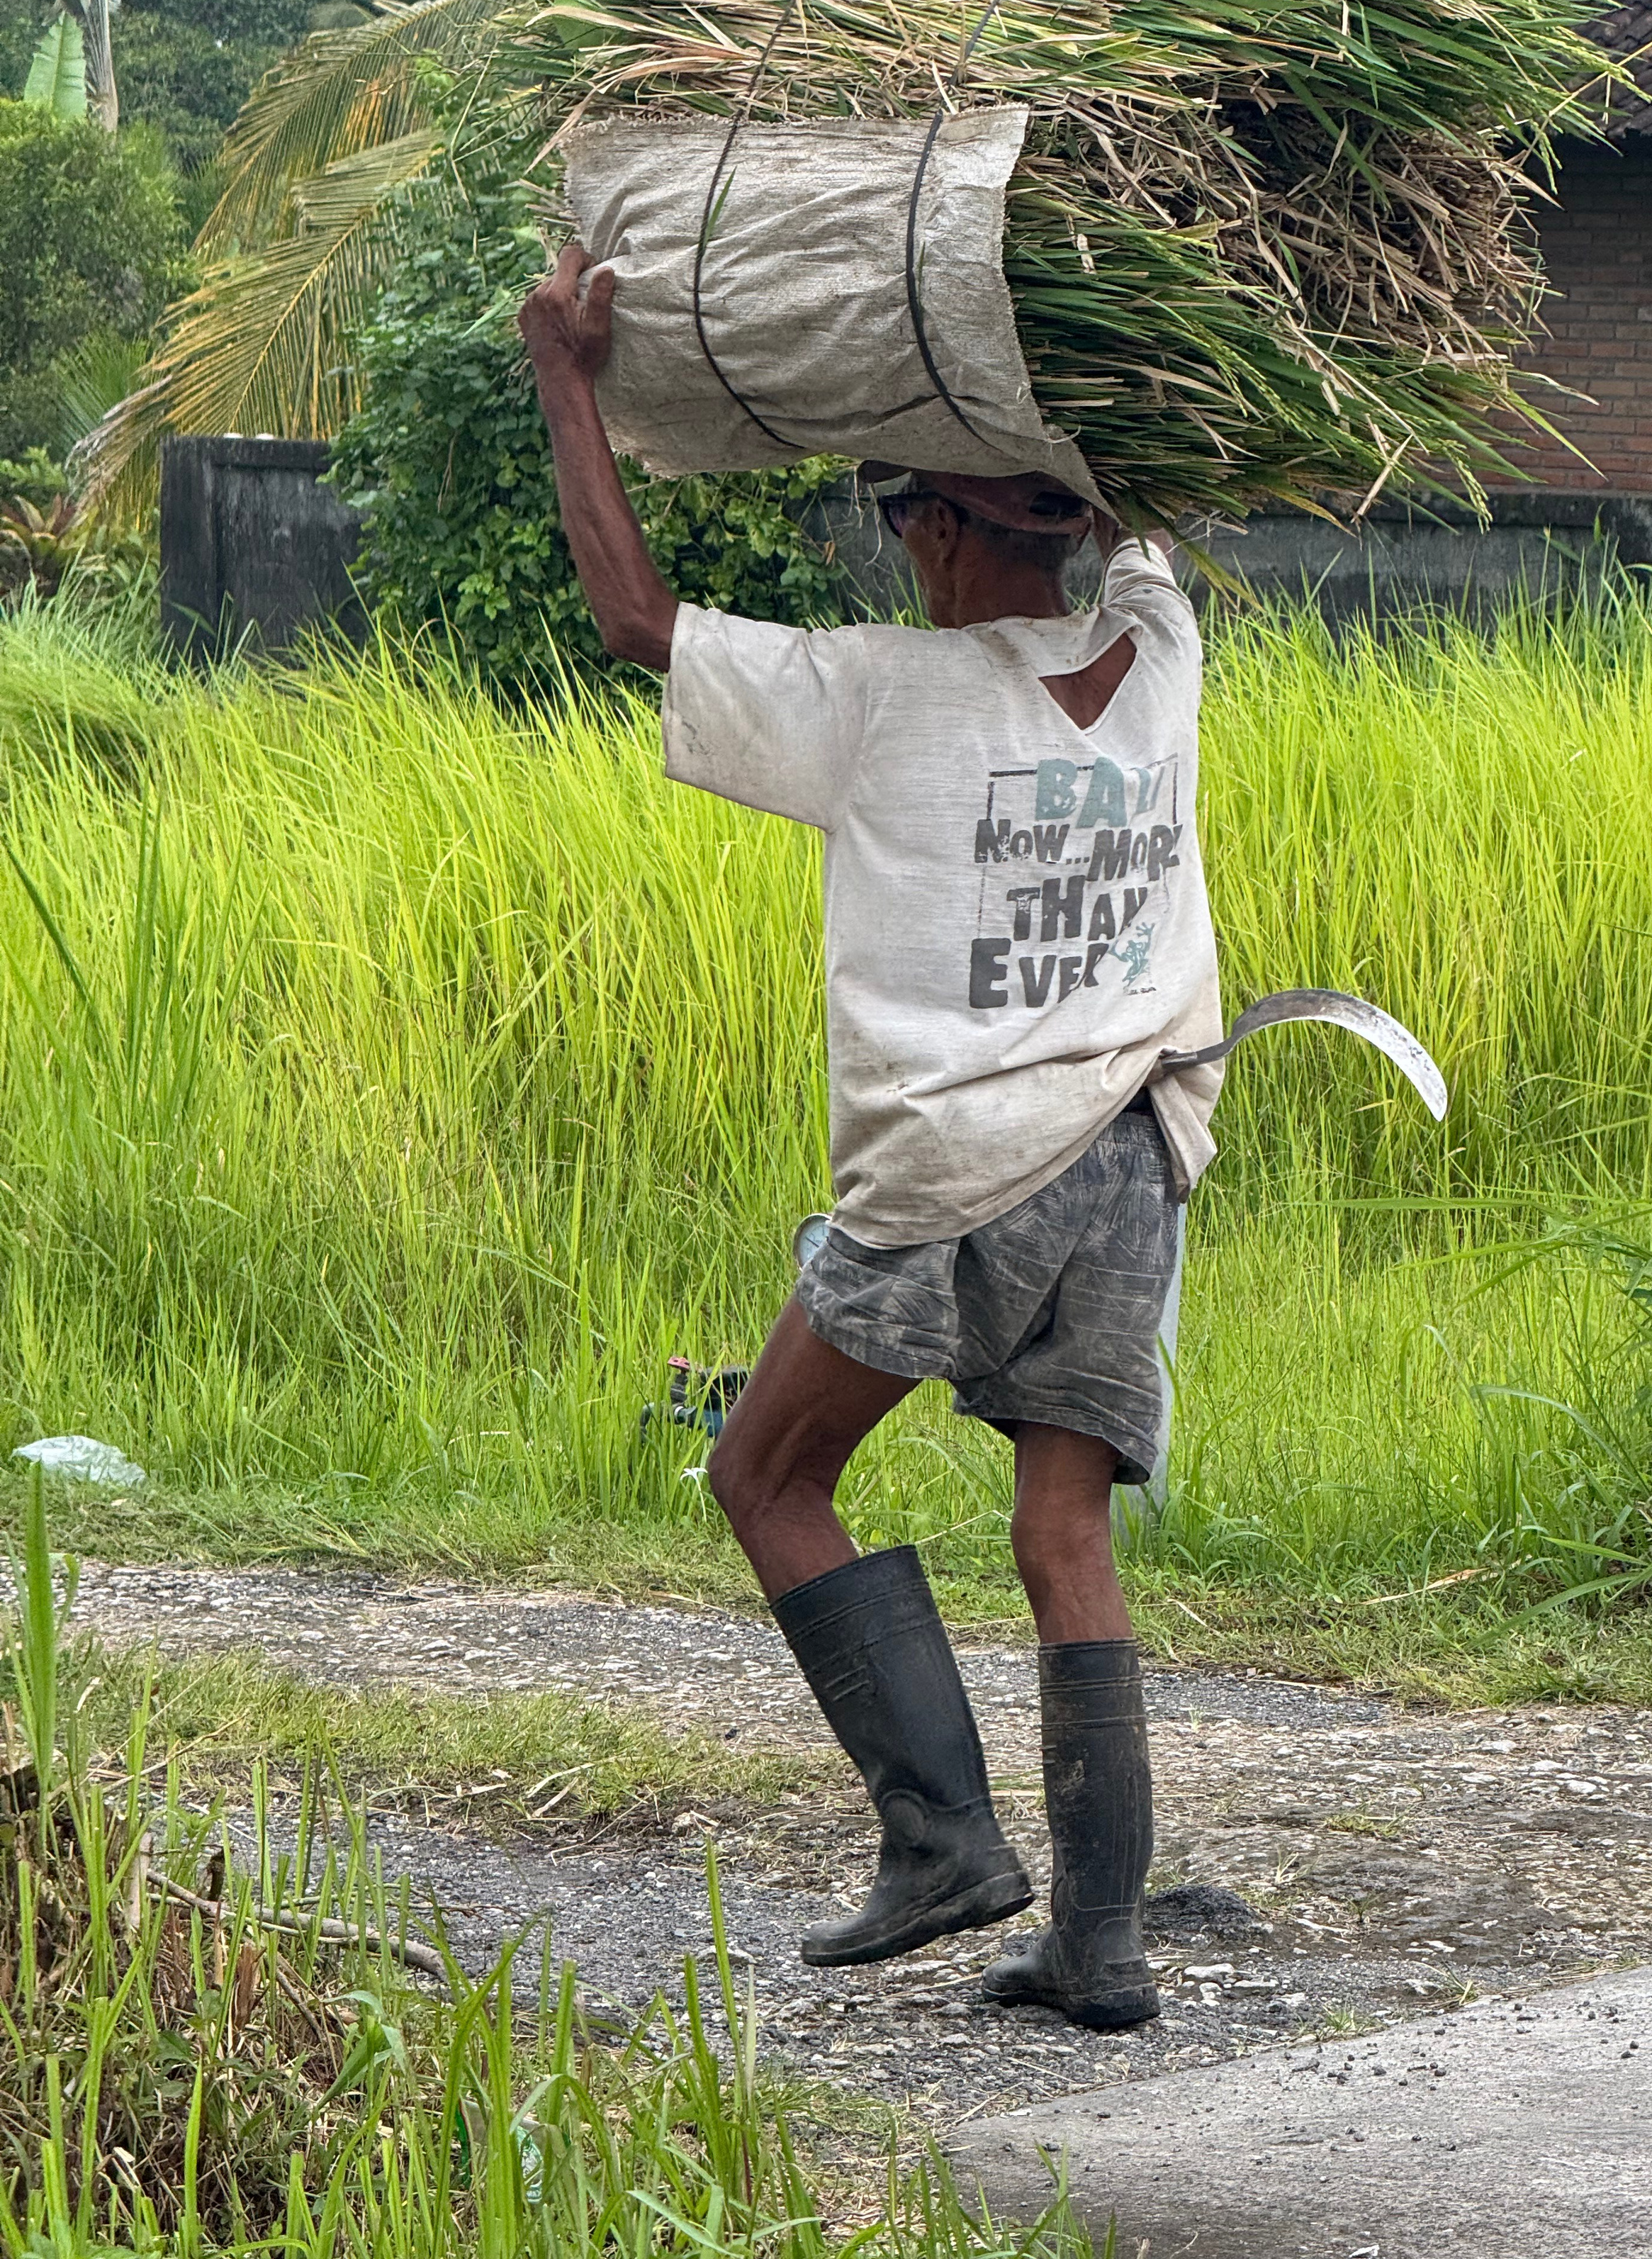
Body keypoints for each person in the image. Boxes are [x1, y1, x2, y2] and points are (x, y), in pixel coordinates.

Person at [520, 245, 1223, 2032]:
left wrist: (567, 376)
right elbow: (1154, 503)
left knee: (763, 1475)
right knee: (1064, 1541)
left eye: (902, 507)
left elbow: (630, 618)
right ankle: (1099, 1945)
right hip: (1133, 1161)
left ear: (938, 531)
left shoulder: (871, 700)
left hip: (953, 1177)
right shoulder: (1158, 657)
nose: (894, 539)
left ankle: (941, 1843)